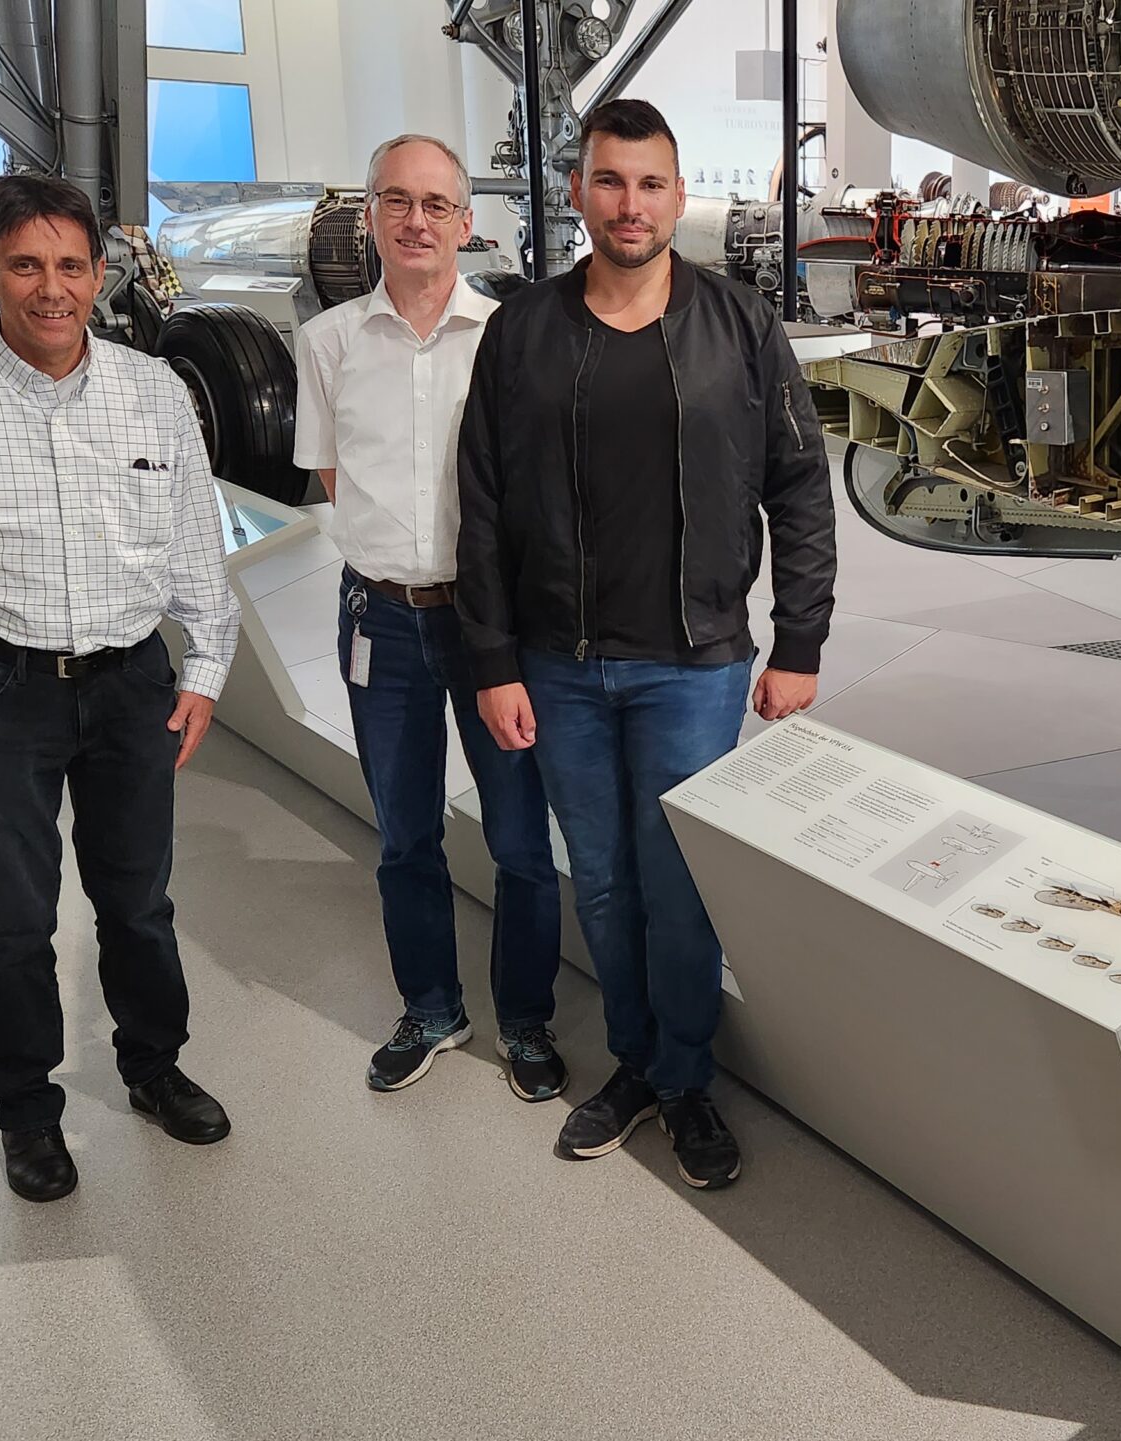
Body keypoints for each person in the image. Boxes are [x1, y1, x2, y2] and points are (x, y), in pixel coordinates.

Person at [456, 98, 837, 1190]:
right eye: (611, 181)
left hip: (694, 663)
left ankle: (684, 1078)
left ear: (679, 196)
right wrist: (490, 658)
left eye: (652, 183)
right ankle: (633, 1062)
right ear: (578, 192)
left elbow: (800, 487)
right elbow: (479, 502)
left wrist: (798, 639)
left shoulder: (739, 326)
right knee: (609, 884)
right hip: (559, 665)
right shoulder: (522, 329)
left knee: (677, 884)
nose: (631, 204)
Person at [0, 174, 240, 1202]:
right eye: (25, 265)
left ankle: (153, 1065)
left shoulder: (153, 390)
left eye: (71, 265)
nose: (51, 289)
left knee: (140, 902)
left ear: (100, 276)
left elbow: (199, 552)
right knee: (16, 917)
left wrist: (202, 671)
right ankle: (27, 1109)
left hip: (130, 688)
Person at [293, 135, 566, 1101]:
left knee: (521, 839)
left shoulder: (509, 338)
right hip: (381, 623)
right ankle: (434, 1006)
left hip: (494, 629)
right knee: (405, 833)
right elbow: (329, 473)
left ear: (466, 221)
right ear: (368, 213)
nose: (416, 221)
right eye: (396, 201)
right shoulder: (327, 343)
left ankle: (525, 1019)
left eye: (436, 205)